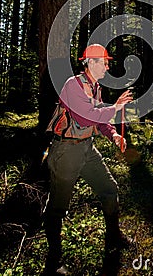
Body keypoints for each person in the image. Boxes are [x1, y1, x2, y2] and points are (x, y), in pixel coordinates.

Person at [43, 44, 133, 275]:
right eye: (104, 62)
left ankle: (114, 236)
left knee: (110, 189)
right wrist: (116, 107)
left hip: (87, 149)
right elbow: (85, 117)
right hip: (66, 151)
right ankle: (53, 261)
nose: (107, 66)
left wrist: (113, 134)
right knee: (57, 207)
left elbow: (99, 120)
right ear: (91, 63)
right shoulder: (73, 85)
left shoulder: (96, 88)